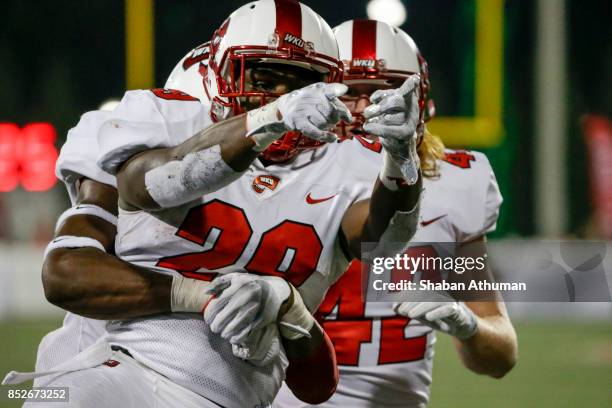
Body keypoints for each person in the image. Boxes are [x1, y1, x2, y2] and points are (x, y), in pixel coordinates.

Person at [4, 3, 422, 408]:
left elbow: (381, 244)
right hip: (107, 368)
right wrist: (203, 296)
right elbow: (73, 266)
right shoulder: (170, 123)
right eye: (264, 77)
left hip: (233, 392)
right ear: (216, 75)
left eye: (300, 84)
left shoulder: (352, 165)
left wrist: (401, 162)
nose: (281, 94)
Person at [274, 19, 518, 408]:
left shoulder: (453, 181)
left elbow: (501, 355)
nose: (366, 108)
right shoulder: (280, 176)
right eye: (348, 92)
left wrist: (467, 324)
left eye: (385, 92)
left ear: (420, 101)